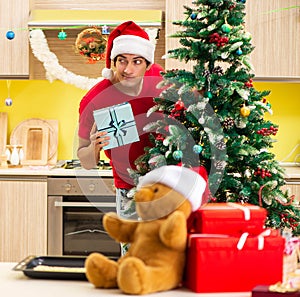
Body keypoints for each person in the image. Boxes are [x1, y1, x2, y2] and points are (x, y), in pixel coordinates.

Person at [77, 21, 164, 240]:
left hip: (167, 184)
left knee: (167, 256)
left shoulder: (162, 84)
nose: (128, 69)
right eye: (122, 61)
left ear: (147, 64)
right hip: (128, 188)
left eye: (137, 62)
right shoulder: (94, 100)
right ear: (113, 62)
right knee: (132, 254)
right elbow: (86, 162)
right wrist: (94, 147)